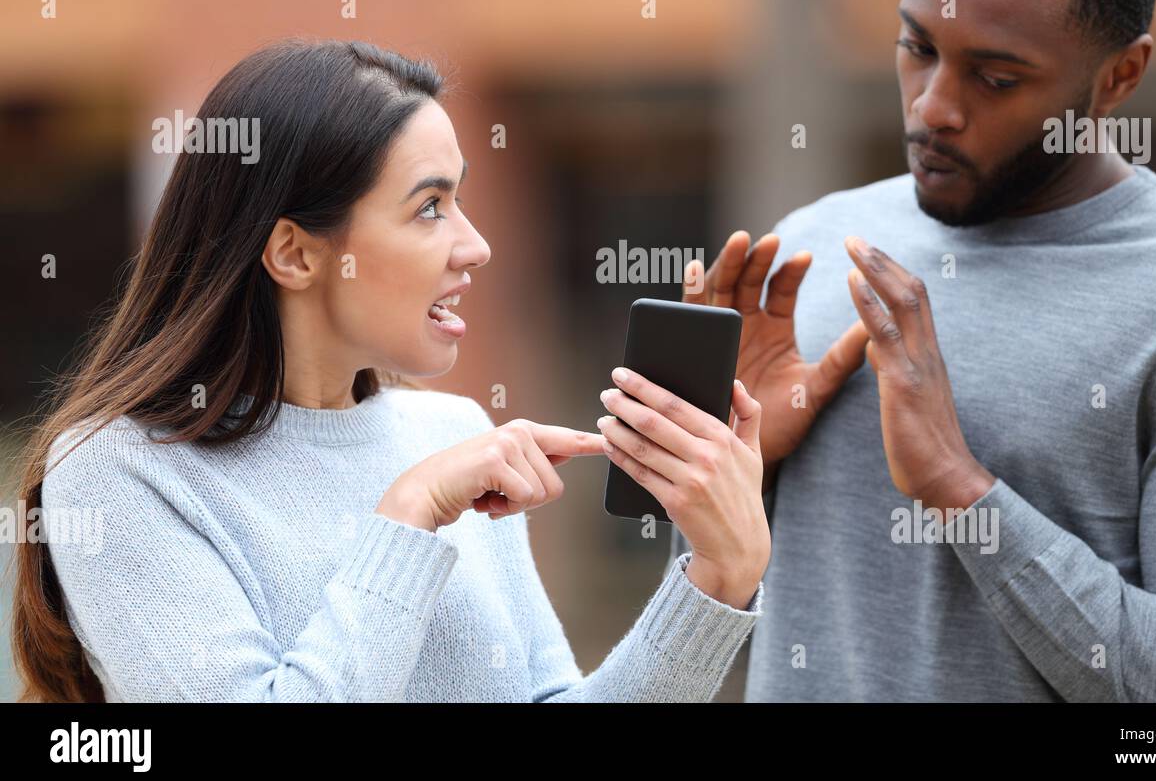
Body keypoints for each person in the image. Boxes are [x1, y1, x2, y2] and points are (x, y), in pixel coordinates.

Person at [675, 0, 1156, 701]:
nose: (934, 105)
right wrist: (738, 473)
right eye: (917, 48)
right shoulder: (813, 247)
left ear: (1119, 76)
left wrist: (961, 489)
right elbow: (718, 613)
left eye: (996, 78)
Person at [10, 38, 770, 702]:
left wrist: (716, 579)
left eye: (460, 199)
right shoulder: (118, 473)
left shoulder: (453, 431)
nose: (475, 246)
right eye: (429, 207)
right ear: (296, 254)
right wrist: (410, 513)